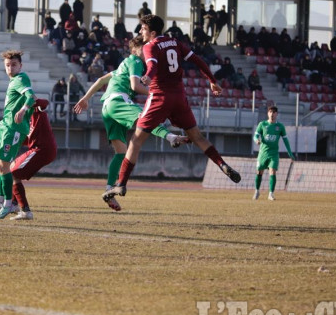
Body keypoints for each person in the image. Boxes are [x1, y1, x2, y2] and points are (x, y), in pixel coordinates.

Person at [101, 15, 241, 207]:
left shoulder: (151, 46)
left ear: (152, 31)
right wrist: (212, 81)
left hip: (159, 97)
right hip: (180, 98)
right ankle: (221, 164)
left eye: (142, 29)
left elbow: (152, 65)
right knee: (198, 137)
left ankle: (121, 184)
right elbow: (198, 61)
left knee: (136, 140)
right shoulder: (175, 42)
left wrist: (148, 78)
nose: (140, 32)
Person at [74, 35, 190, 211]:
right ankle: (171, 136)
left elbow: (100, 81)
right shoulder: (135, 61)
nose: (147, 52)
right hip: (119, 101)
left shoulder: (123, 65)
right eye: (144, 49)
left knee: (121, 153)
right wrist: (157, 94)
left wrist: (85, 98)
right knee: (146, 118)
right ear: (136, 50)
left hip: (107, 106)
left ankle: (109, 190)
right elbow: (135, 86)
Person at [0, 50, 36, 220]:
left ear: (20, 65)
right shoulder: (14, 80)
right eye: (7, 65)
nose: (10, 68)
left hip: (14, 128)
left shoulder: (21, 79)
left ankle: (8, 204)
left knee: (3, 166)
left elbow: (31, 97)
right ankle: (0, 200)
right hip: (5, 126)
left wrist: (23, 110)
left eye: (14, 65)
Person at [7, 98, 57, 220]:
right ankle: (14, 205)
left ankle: (25, 211)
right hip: (41, 149)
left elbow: (45, 102)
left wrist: (29, 103)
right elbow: (26, 139)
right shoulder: (23, 121)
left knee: (13, 173)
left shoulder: (35, 109)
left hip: (42, 149)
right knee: (12, 169)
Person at [253, 106, 295, 201]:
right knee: (259, 172)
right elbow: (255, 136)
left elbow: (285, 140)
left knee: (272, 171)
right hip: (263, 153)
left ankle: (271, 194)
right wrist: (256, 140)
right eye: (270, 112)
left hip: (274, 154)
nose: (272, 114)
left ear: (277, 114)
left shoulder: (280, 127)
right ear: (268, 113)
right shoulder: (262, 124)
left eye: (274, 112)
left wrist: (290, 153)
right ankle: (257, 191)